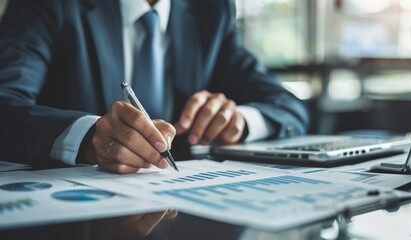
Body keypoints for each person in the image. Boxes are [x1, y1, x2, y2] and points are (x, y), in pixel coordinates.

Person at [0, 0, 308, 174]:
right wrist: (87, 136)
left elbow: (288, 106)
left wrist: (238, 121)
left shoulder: (210, 11)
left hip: (176, 209)